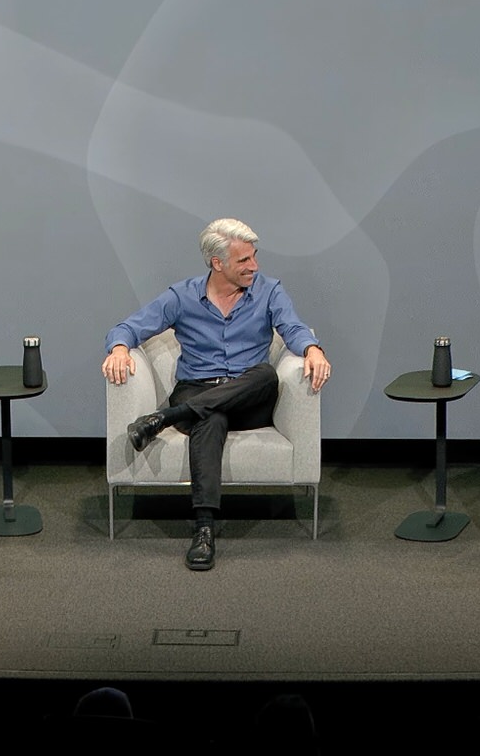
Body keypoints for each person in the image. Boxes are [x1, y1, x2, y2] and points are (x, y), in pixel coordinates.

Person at [102, 219, 330, 570]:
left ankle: (165, 419)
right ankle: (204, 530)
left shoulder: (269, 291)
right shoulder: (182, 296)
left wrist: (313, 349)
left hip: (249, 396)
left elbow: (293, 327)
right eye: (243, 260)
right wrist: (119, 348)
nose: (253, 266)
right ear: (217, 262)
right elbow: (128, 327)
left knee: (266, 375)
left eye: (254, 257)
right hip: (197, 389)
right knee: (211, 416)